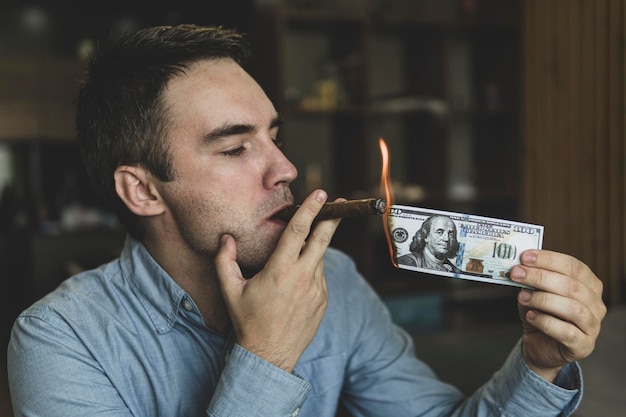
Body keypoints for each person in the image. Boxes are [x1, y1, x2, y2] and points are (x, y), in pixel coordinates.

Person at [7, 24, 606, 417]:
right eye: (234, 147)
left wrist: (539, 364)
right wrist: (265, 357)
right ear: (142, 190)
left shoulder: (336, 279)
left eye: (274, 136)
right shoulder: (61, 340)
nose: (286, 169)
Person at [397, 214, 462, 273]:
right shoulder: (407, 262)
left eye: (451, 234)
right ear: (426, 236)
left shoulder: (456, 271)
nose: (446, 239)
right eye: (439, 232)